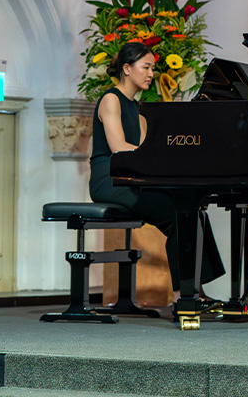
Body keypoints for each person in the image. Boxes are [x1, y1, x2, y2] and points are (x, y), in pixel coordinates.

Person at [89, 41, 225, 308]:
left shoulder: (138, 110)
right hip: (109, 180)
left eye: (153, 68)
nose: (151, 73)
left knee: (192, 209)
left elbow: (143, 151)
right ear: (127, 68)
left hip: (131, 179)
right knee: (177, 215)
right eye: (146, 67)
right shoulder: (111, 99)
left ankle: (195, 288)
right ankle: (182, 296)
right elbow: (119, 148)